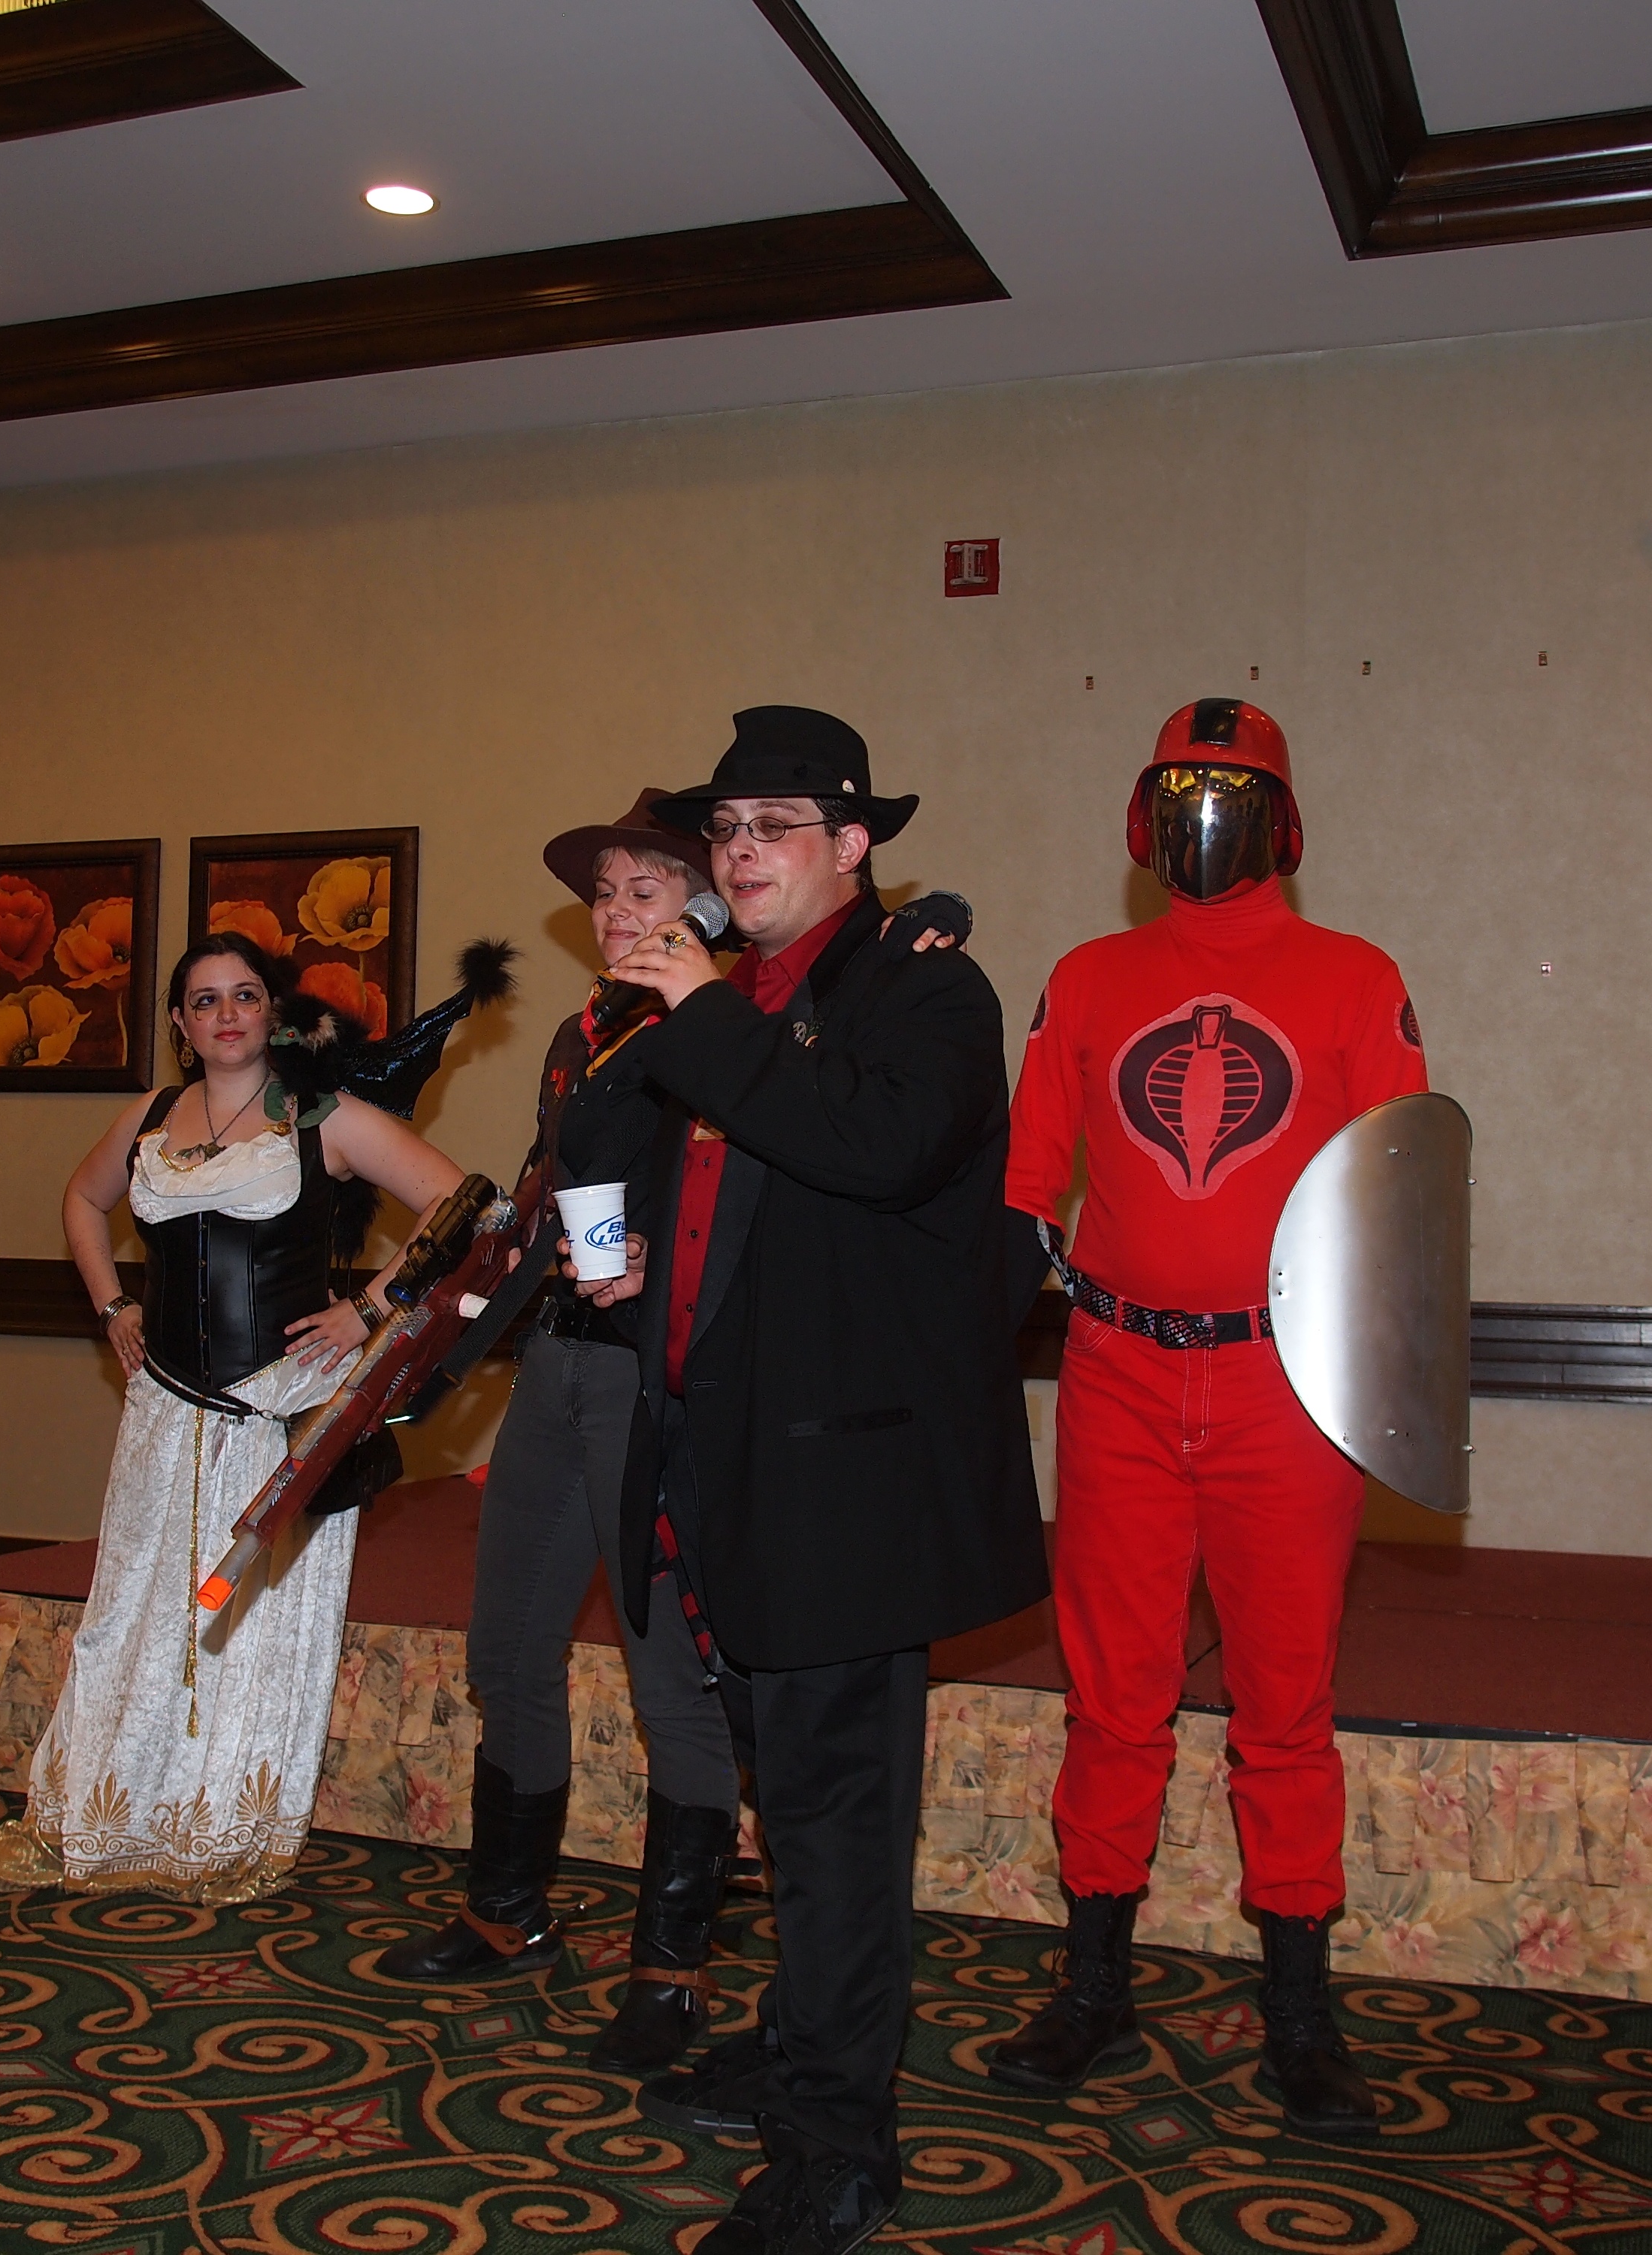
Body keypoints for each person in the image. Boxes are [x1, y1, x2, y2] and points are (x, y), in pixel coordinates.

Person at [588, 708, 1046, 2255]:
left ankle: (840, 2149)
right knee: (784, 1800)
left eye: (771, 827)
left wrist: (704, 1010)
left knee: (836, 1824)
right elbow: (705, 1197)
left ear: (851, 845)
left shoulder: (925, 990)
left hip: (841, 1481)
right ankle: (801, 2046)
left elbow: (875, 1147)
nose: (735, 855)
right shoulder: (724, 1002)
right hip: (716, 1456)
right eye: (722, 831)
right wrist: (638, 1270)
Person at [989, 698, 1427, 2139]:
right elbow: (1029, 1169)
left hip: (1284, 1385)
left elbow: (1403, 1184)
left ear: (1282, 820)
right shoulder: (1089, 975)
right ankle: (1095, 1988)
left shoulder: (1356, 977)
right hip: (1118, 1370)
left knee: (1285, 1706)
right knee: (1112, 1694)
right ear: (1143, 817)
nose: (1206, 825)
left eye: (1231, 798)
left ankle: (1299, 2013)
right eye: (1180, 797)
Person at [0, 931, 467, 1902]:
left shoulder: (323, 1117)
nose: (227, 1015)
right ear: (181, 1026)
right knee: (128, 1614)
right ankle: (98, 1814)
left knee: (251, 1627)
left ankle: (220, 1827)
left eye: (245, 995)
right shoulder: (149, 1117)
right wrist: (112, 1304)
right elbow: (82, 1198)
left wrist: (367, 1310)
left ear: (273, 1012)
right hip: (162, 1407)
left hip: (278, 1409)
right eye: (204, 1000)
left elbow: (458, 1202)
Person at [375, 793, 743, 2074]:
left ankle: (671, 1973)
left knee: (669, 1679)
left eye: (648, 889)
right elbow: (553, 1192)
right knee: (508, 1645)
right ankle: (508, 1909)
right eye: (605, 893)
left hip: (661, 1379)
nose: (618, 911)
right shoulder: (585, 1029)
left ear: (705, 905)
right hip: (560, 1363)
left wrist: (657, 1256)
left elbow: (750, 1200)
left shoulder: (727, 1027)